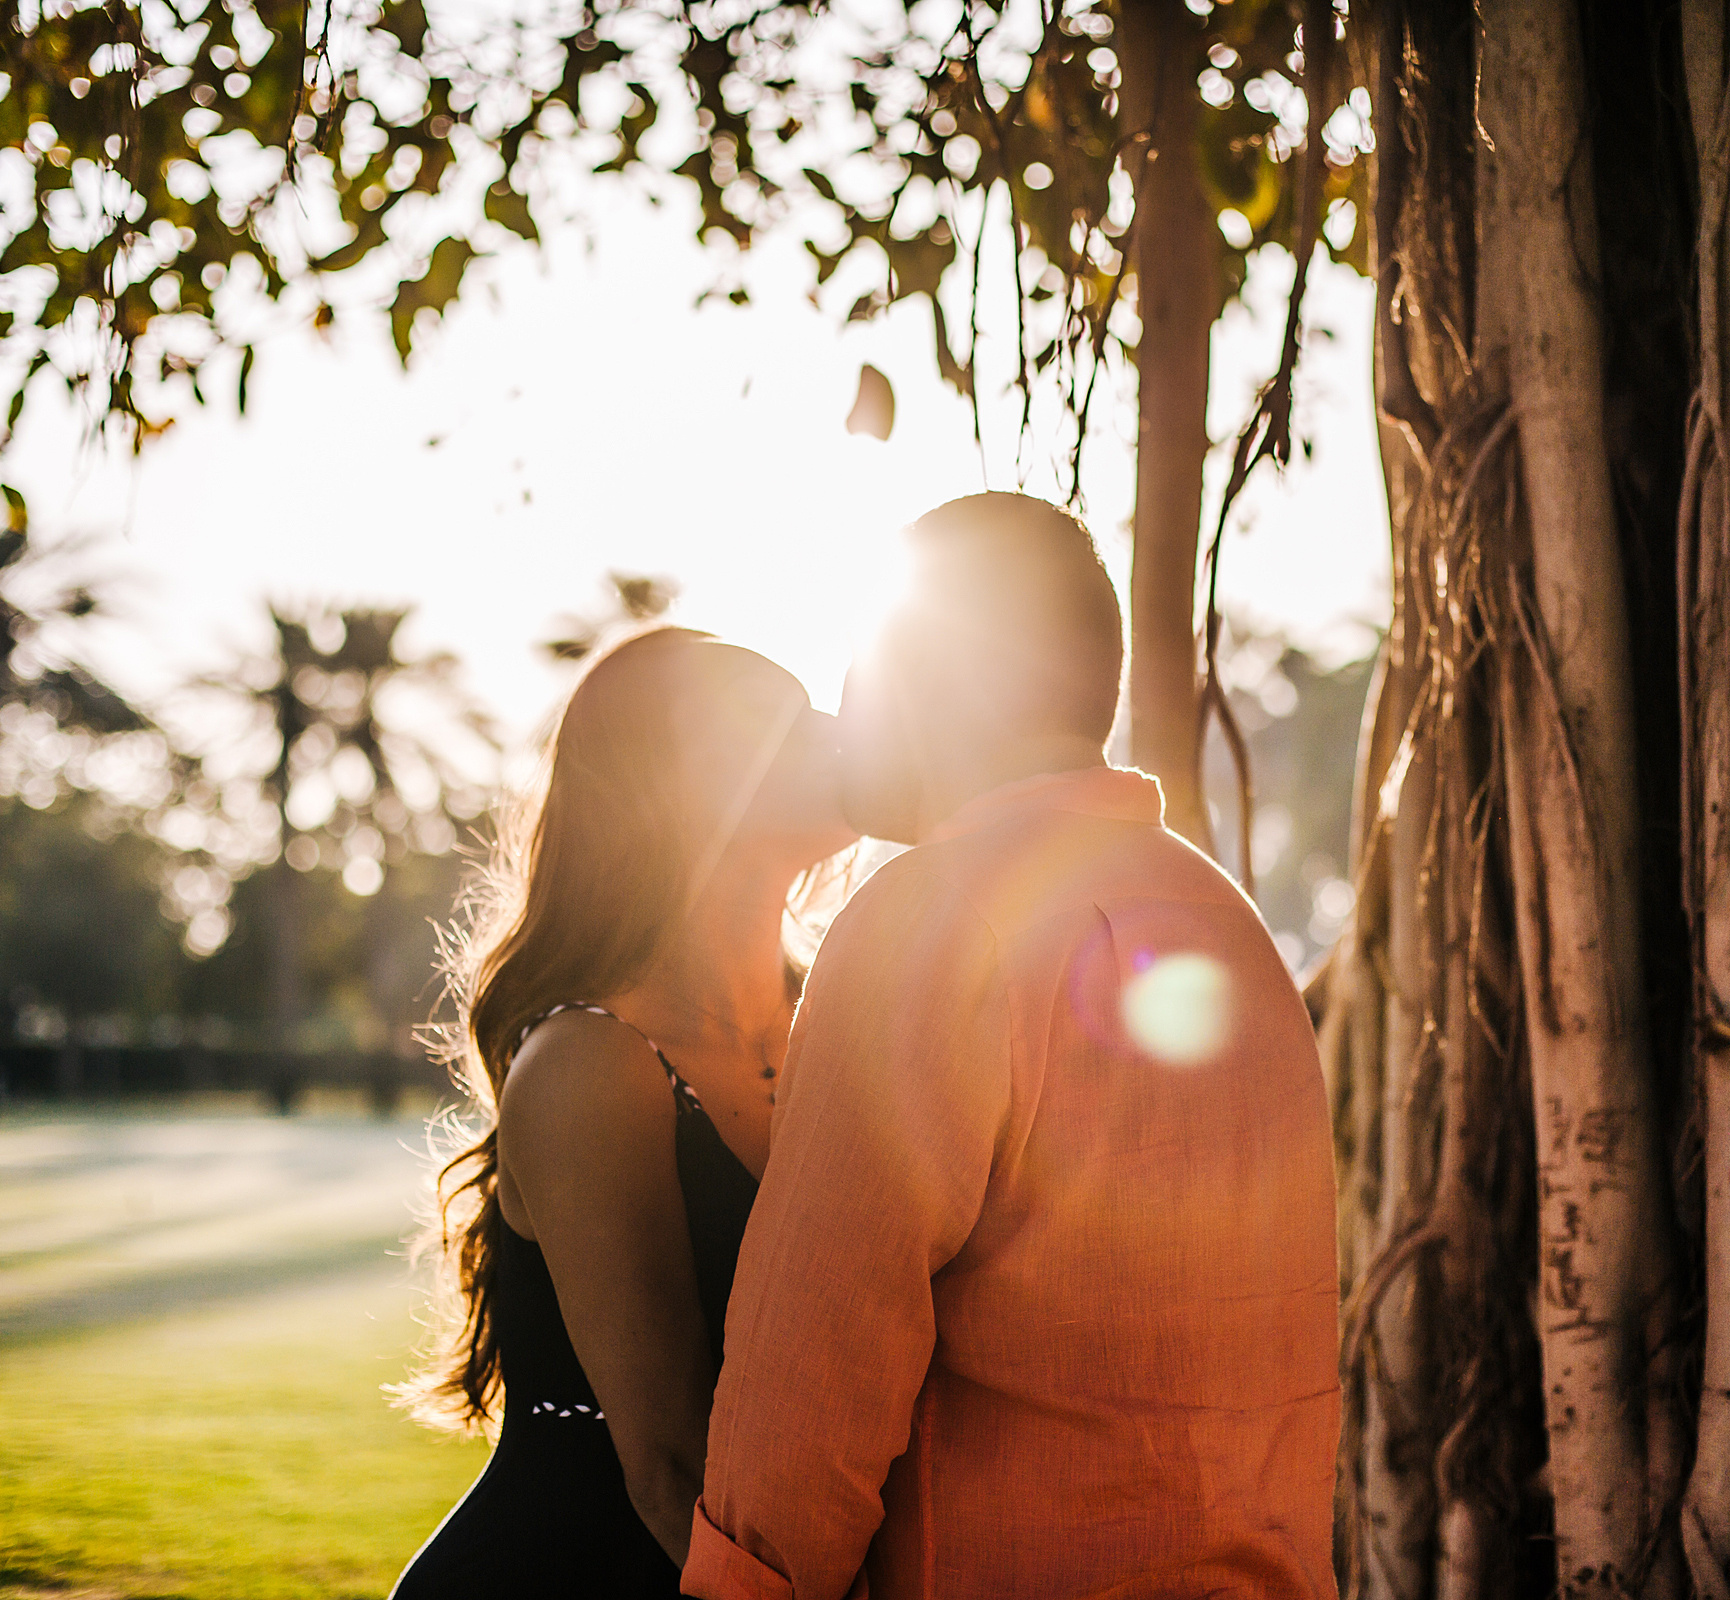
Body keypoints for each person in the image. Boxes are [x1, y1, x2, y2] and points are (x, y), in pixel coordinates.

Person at [683, 494, 1341, 1600]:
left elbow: (811, 1386)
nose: (845, 710)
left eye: (865, 663)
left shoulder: (928, 919)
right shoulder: (1230, 929)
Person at [392, 626, 853, 1598]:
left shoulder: (840, 1018)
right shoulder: (589, 1062)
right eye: (782, 724)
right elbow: (671, 1462)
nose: (833, 736)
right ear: (683, 788)